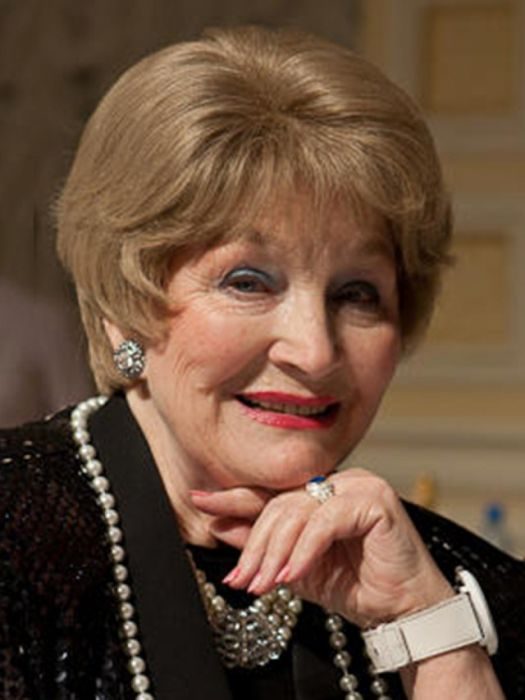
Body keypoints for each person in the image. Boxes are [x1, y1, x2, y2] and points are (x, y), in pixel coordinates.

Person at [0, 25, 523, 700]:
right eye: (247, 282)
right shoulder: (14, 538)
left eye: (356, 294)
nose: (314, 351)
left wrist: (432, 630)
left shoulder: (469, 588)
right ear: (127, 301)